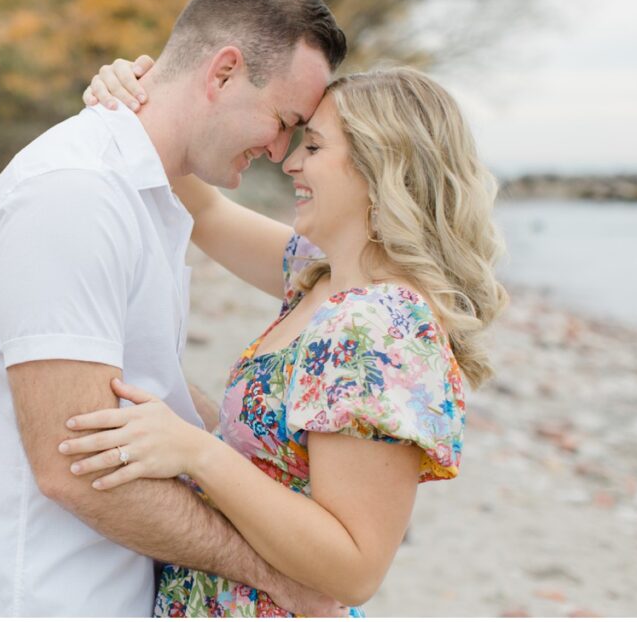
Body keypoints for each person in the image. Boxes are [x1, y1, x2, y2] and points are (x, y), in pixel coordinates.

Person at [0, 0, 350, 616]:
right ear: (224, 72)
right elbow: (74, 467)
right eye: (285, 121)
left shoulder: (151, 194)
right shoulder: (76, 194)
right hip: (38, 596)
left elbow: (143, 390)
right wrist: (274, 575)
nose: (280, 151)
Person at [64, 60, 508, 615]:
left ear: (380, 166)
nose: (290, 162)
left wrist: (198, 451)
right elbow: (200, 208)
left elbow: (355, 567)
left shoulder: (380, 328)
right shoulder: (318, 275)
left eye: (314, 148)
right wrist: (133, 97)